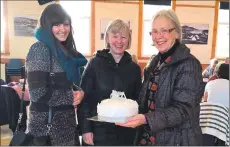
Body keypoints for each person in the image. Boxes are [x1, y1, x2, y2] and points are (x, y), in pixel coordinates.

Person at [116, 9, 204, 146]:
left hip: (177, 140)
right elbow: (145, 99)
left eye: (164, 30)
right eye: (155, 32)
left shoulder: (189, 64)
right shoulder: (155, 63)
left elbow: (183, 110)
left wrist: (146, 119)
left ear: (176, 32)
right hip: (150, 137)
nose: (158, 36)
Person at [26, 4, 87, 145]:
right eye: (57, 25)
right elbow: (37, 93)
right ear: (47, 26)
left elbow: (66, 84)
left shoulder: (65, 51)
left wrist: (80, 92)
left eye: (66, 24)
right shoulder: (39, 49)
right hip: (46, 131)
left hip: (68, 128)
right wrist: (70, 96)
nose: (63, 29)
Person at [78, 19, 142, 146]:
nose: (119, 41)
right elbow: (84, 99)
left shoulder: (134, 68)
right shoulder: (94, 64)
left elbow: (138, 100)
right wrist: (86, 129)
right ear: (107, 38)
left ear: (128, 40)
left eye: (123, 37)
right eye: (115, 36)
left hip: (126, 132)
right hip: (98, 132)